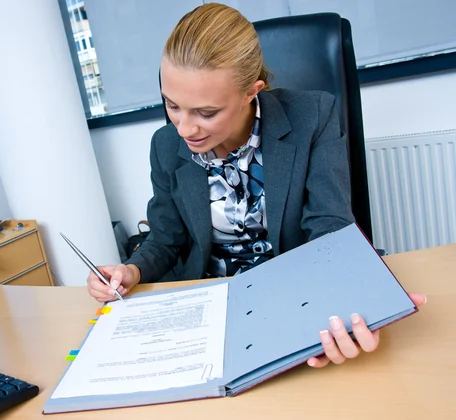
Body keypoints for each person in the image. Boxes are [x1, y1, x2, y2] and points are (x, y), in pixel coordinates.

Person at [86, 3, 426, 368]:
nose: (184, 129)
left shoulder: (313, 117)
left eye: (206, 112)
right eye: (172, 105)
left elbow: (330, 226)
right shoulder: (166, 145)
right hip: (206, 307)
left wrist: (346, 303)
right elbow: (166, 240)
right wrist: (130, 271)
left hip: (290, 299)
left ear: (252, 91)